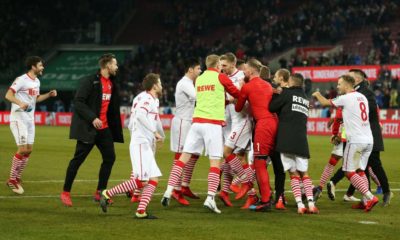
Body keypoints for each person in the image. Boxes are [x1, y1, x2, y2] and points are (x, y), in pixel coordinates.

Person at [161, 54, 240, 214]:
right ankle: (210, 198)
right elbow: (237, 93)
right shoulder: (221, 77)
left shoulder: (200, 79)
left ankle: (168, 190)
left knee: (183, 158)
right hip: (212, 124)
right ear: (218, 64)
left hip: (196, 123)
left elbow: (208, 98)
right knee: (215, 163)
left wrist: (226, 101)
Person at [60, 53, 123, 206]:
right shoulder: (89, 81)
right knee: (78, 160)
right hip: (89, 128)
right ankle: (65, 192)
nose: (117, 67)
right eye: (115, 64)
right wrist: (92, 118)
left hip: (104, 129)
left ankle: (100, 192)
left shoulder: (112, 83)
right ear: (107, 65)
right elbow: (78, 102)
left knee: (110, 158)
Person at [100, 73, 165, 219]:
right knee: (142, 181)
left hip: (144, 142)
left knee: (153, 179)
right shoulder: (148, 99)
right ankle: (107, 193)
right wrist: (153, 133)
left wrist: (161, 135)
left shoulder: (144, 98)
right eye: (160, 83)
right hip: (141, 143)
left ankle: (141, 211)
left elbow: (152, 119)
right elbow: (140, 116)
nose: (161, 85)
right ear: (154, 86)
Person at [312, 75, 379, 212]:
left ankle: (369, 196)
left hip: (355, 140)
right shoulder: (363, 97)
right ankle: (365, 201)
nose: (337, 86)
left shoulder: (346, 98)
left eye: (339, 84)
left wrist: (317, 93)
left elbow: (325, 102)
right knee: (360, 171)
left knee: (348, 171)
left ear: (347, 85)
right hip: (368, 140)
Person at [5, 56, 57, 194]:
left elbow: (36, 98)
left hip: (29, 119)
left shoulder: (37, 81)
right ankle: (11, 180)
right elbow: (8, 95)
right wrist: (20, 103)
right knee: (22, 150)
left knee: (28, 150)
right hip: (18, 118)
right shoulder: (21, 79)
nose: (43, 67)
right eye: (40, 65)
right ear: (33, 67)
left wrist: (49, 95)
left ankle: (17, 177)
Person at [270, 73, 319, 214]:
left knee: (293, 174)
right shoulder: (305, 98)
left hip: (286, 139)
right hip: (302, 139)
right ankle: (311, 204)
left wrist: (275, 95)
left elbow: (272, 107)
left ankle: (299, 205)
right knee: (305, 173)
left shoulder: (286, 93)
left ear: (291, 82)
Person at [235, 58, 278, 212]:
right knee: (271, 162)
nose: (243, 71)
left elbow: (238, 108)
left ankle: (266, 201)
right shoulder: (267, 85)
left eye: (245, 69)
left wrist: (240, 90)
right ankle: (272, 197)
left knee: (259, 163)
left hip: (263, 125)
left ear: (251, 71)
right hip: (274, 122)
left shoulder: (247, 87)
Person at [349, 69, 393, 206]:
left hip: (371, 133)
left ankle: (386, 191)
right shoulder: (357, 92)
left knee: (374, 163)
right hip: (362, 133)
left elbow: (373, 110)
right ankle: (366, 198)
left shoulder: (366, 92)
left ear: (357, 79)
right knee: (363, 166)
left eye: (349, 77)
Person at [219, 53, 256, 209]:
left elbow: (248, 95)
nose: (222, 69)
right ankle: (226, 192)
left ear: (233, 64)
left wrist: (239, 96)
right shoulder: (223, 78)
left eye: (225, 65)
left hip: (242, 120)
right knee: (230, 160)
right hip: (229, 122)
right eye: (220, 66)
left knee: (231, 154)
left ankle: (247, 184)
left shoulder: (242, 76)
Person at [169, 58, 202, 205]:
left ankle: (185, 186)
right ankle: (175, 190)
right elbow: (198, 96)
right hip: (183, 122)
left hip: (190, 121)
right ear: (190, 69)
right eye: (198, 69)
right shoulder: (184, 83)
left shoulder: (190, 83)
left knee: (194, 154)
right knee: (181, 155)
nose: (200, 71)